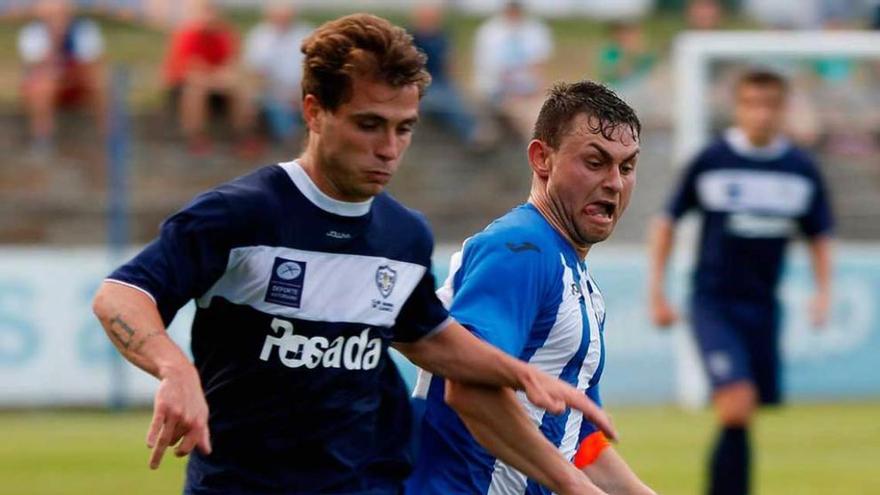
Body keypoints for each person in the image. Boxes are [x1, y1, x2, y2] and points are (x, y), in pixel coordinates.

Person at [92, 14, 616, 495]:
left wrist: (519, 373)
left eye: (403, 127)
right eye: (369, 124)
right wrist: (174, 369)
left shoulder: (403, 234)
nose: (389, 148)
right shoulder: (241, 214)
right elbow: (121, 296)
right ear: (315, 112)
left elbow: (427, 336)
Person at [407, 81, 654, 495]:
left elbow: (578, 441)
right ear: (542, 159)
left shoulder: (580, 282)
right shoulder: (521, 250)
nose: (614, 182)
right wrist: (575, 487)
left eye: (626, 167)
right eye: (595, 162)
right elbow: (467, 386)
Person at [648, 70, 834, 495]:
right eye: (752, 103)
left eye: (770, 104)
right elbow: (666, 222)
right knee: (735, 404)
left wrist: (824, 293)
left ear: (783, 109)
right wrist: (657, 291)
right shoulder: (712, 160)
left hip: (763, 306)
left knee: (745, 411)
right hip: (713, 302)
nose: (761, 113)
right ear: (738, 108)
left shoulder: (800, 169)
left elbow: (820, 235)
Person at [162, 0, 259, 156]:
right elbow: (191, 71)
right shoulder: (187, 35)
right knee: (195, 91)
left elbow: (232, 63)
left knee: (241, 89)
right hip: (186, 83)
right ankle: (196, 137)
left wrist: (224, 79)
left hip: (215, 81)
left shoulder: (225, 34)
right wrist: (217, 79)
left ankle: (244, 135)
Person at [17, 0, 108, 156]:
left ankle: (109, 137)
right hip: (48, 84)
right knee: (43, 86)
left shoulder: (84, 30)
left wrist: (72, 75)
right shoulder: (32, 33)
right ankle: (43, 139)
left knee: (101, 85)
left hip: (76, 84)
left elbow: (92, 66)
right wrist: (55, 41)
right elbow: (37, 70)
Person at [409, 2, 487, 149]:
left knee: (454, 98)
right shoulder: (411, 38)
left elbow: (450, 62)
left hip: (441, 82)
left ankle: (475, 132)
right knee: (441, 101)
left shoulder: (442, 37)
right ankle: (472, 132)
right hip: (420, 83)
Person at [472, 0, 553, 141]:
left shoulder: (535, 30)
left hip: (529, 93)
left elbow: (539, 68)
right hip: (500, 93)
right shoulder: (489, 33)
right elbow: (491, 73)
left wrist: (536, 90)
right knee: (534, 120)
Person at [243, 0, 312, 144]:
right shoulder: (259, 36)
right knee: (277, 104)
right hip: (271, 89)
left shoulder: (306, 33)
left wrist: (300, 89)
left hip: (302, 87)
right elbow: (255, 70)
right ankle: (288, 138)